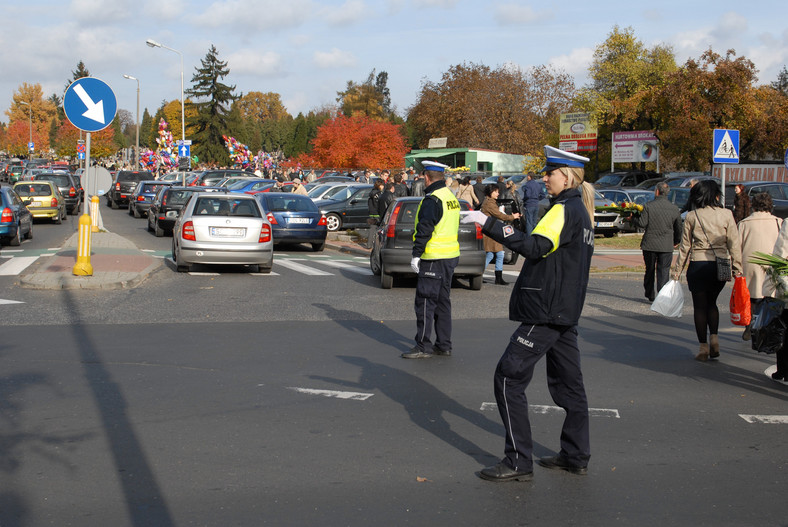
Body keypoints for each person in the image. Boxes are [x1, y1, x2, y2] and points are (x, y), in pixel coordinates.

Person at [462, 145, 595, 482]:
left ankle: (519, 460)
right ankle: (575, 454)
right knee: (570, 385)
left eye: (550, 173)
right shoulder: (580, 210)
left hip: (546, 310)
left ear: (566, 176)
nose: (544, 179)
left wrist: (489, 223)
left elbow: (535, 247)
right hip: (563, 311)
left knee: (508, 377)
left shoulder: (564, 209)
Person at [671, 180, 743, 361]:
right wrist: (737, 268)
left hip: (698, 264)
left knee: (699, 307)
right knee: (713, 303)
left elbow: (685, 247)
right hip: (720, 266)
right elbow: (734, 244)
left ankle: (703, 347)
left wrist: (676, 271)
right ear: (716, 195)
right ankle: (715, 339)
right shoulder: (727, 214)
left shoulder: (692, 216)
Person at [401, 160, 461, 359]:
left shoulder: (432, 199)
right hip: (450, 256)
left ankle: (423, 346)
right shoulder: (449, 196)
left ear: (426, 177)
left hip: (433, 257)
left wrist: (416, 254)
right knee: (443, 302)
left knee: (426, 303)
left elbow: (424, 228)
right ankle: (444, 344)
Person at [738, 192, 782, 340]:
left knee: (750, 297)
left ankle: (749, 325)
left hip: (749, 264)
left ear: (753, 205)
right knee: (769, 297)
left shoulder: (744, 223)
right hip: (771, 264)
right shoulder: (778, 222)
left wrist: (736, 268)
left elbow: (737, 247)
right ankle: (765, 326)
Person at [633, 182, 682, 301]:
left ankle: (650, 293)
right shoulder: (674, 209)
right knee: (664, 271)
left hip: (650, 244)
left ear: (657, 192)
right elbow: (678, 228)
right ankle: (662, 296)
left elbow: (642, 223)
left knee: (649, 269)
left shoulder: (649, 206)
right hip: (666, 245)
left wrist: (633, 218)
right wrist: (676, 241)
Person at [481, 184, 521, 285]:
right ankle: (498, 278)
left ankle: (479, 275)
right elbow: (499, 215)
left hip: (489, 231)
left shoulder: (489, 202)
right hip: (491, 232)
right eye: (496, 191)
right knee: (500, 254)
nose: (498, 193)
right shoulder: (489, 203)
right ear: (490, 192)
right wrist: (512, 217)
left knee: (490, 254)